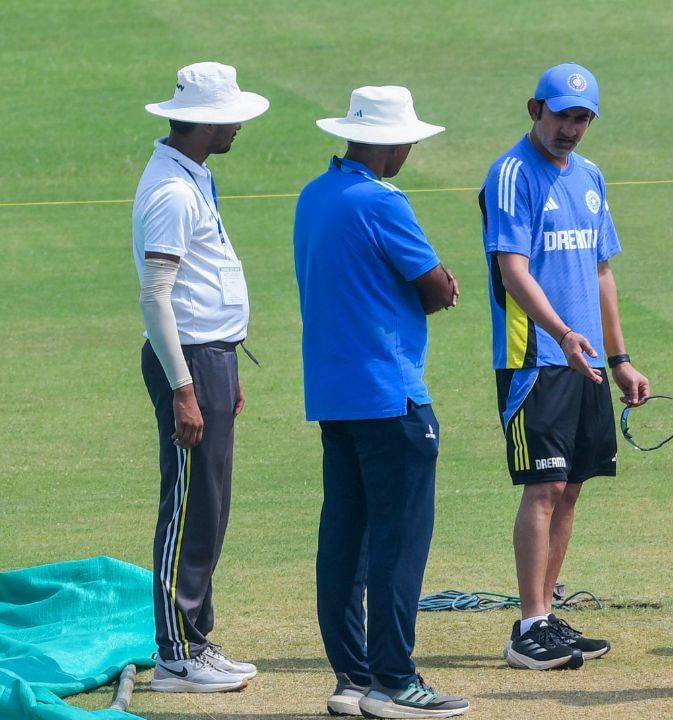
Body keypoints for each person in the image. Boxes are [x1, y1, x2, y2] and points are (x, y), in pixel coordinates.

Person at [293, 86, 469, 718]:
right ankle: (395, 681)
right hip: (392, 399)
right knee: (398, 544)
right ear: (391, 141)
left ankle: (352, 679)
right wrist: (438, 284)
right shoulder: (382, 202)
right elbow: (436, 289)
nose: (412, 150)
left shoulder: (314, 195)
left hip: (334, 398)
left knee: (344, 538)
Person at [479, 62, 651, 671]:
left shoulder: (591, 177)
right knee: (544, 486)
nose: (572, 129)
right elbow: (513, 270)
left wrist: (620, 357)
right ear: (535, 110)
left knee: (572, 487)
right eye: (562, 115)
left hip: (585, 363)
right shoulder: (510, 176)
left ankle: (544, 615)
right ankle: (528, 627)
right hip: (535, 357)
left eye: (582, 118)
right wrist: (564, 334)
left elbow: (602, 270)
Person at [134, 61, 267, 693]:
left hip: (210, 356)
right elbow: (156, 296)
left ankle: (197, 639)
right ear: (205, 121)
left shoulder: (193, 176)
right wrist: (186, 388)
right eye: (230, 115)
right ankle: (176, 653)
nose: (239, 124)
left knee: (208, 503)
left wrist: (224, 365)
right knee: (189, 503)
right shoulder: (172, 192)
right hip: (188, 360)